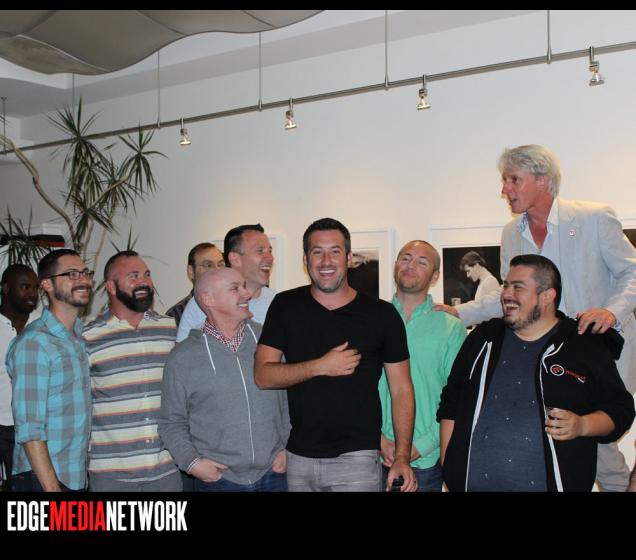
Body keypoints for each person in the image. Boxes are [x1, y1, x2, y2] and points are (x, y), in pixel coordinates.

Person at [435, 144, 636, 492]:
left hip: (597, 348)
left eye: (514, 179)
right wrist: (457, 312)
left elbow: (632, 271)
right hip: (542, 353)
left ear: (543, 180)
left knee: (603, 446)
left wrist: (610, 311)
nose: (505, 189)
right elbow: (508, 296)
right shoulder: (511, 233)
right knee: (549, 439)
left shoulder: (593, 217)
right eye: (505, 180)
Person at [438, 255, 635, 492]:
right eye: (506, 286)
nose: (506, 294)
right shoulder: (484, 338)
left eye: (518, 287)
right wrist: (450, 467)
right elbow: (451, 402)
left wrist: (582, 425)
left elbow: (621, 409)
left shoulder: (583, 345)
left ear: (547, 296)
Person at [255, 218, 417, 492]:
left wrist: (402, 457)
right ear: (305, 259)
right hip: (299, 458)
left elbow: (402, 389)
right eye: (317, 252)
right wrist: (320, 366)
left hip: (357, 459)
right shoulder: (285, 306)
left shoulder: (381, 315)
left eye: (335, 251)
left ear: (349, 258)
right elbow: (263, 375)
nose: (326, 261)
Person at [159, 268, 290, 492]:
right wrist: (193, 464)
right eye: (235, 288)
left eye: (244, 286)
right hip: (218, 481)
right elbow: (171, 422)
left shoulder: (269, 340)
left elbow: (290, 399)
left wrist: (288, 447)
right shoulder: (182, 358)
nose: (246, 294)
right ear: (208, 299)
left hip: (275, 474)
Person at [82, 250, 181, 491]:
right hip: (111, 476)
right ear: (111, 287)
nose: (144, 282)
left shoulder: (170, 329)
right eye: (133, 276)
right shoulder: (88, 337)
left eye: (147, 274)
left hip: (166, 470)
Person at [379, 241, 467, 492]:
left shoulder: (451, 328)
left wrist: (421, 446)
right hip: (371, 456)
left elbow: (459, 398)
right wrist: (379, 440)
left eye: (422, 262)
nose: (411, 265)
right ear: (395, 265)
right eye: (405, 258)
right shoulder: (373, 319)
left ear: (435, 276)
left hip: (425, 460)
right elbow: (356, 387)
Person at [6, 249, 93, 491]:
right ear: (47, 284)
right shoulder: (35, 343)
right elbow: (30, 428)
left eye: (86, 273)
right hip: (43, 480)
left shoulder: (77, 337)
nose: (84, 280)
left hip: (74, 474)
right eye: (72, 274)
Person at [177, 224, 275, 342]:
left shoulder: (278, 302)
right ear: (235, 259)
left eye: (270, 251)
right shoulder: (204, 302)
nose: (270, 258)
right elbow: (183, 351)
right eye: (260, 251)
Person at [0, 264, 39, 490]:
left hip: (31, 427)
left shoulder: (43, 325)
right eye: (25, 287)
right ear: (5, 288)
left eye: (35, 287)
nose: (32, 293)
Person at [166, 242, 225, 326]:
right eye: (208, 265)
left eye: (221, 265)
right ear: (191, 272)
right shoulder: (175, 315)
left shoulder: (235, 308)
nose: (216, 270)